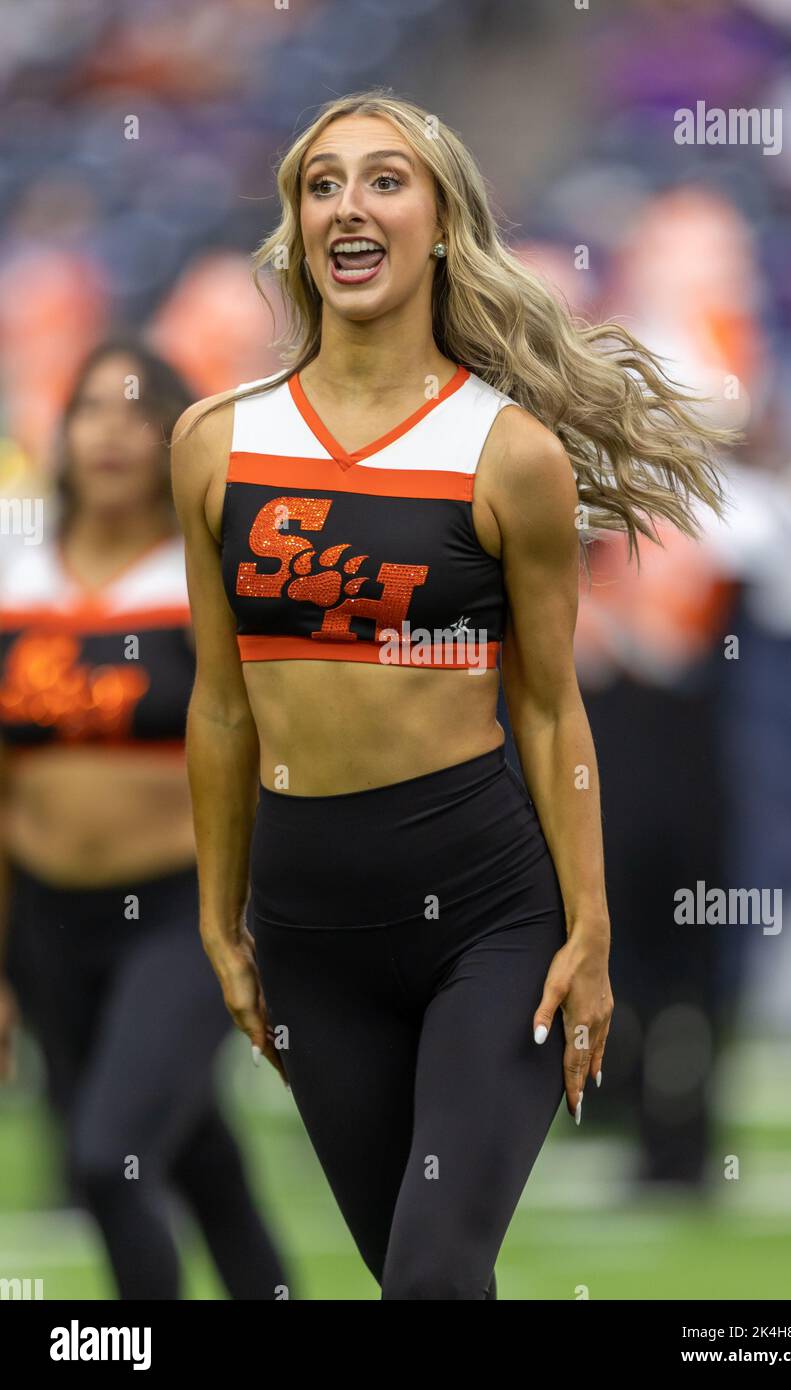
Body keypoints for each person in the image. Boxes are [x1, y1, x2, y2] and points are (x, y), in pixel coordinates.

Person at [171, 90, 736, 1300]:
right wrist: (220, 920)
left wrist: (587, 929)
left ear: (439, 223)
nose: (348, 205)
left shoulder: (507, 451)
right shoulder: (215, 442)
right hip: (307, 925)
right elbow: (221, 706)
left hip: (486, 915)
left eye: (384, 179)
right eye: (322, 183)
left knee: (429, 1277)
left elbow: (546, 711)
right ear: (297, 225)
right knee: (421, 1285)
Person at [0, 340, 291, 1300]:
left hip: (182, 913)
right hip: (46, 918)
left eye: (139, 413)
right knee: (193, 1151)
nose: (113, 433)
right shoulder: (15, 570)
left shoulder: (210, 574)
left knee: (106, 1157)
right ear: (62, 429)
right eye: (91, 409)